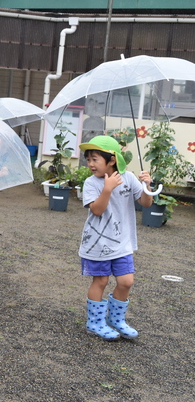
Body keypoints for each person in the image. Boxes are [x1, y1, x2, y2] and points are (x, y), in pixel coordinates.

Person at [79, 135, 153, 341]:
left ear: (111, 160)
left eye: (95, 159)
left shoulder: (128, 178)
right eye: (88, 159)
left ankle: (116, 320)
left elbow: (146, 203)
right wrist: (108, 188)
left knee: (126, 281)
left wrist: (147, 185)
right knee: (101, 281)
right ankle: (95, 323)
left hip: (122, 242)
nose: (90, 164)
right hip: (98, 243)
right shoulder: (90, 183)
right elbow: (97, 210)